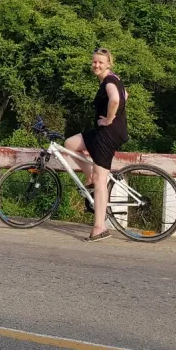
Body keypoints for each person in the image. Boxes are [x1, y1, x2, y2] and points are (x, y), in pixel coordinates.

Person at [64, 47, 129, 242]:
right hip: (104, 131)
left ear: (109, 64)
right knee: (70, 143)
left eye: (101, 62)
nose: (96, 65)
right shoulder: (113, 79)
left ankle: (99, 227)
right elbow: (125, 95)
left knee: (102, 180)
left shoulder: (109, 81)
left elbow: (116, 99)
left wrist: (110, 119)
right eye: (94, 62)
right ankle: (90, 176)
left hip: (107, 133)